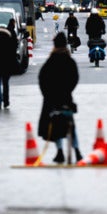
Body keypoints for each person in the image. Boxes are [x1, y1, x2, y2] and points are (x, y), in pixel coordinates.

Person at [37, 32, 81, 165]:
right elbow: (75, 78)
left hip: (53, 101)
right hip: (66, 99)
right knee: (70, 126)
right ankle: (77, 151)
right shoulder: (70, 61)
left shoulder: (50, 62)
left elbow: (42, 79)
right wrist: (68, 90)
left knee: (56, 127)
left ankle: (60, 152)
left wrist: (47, 94)